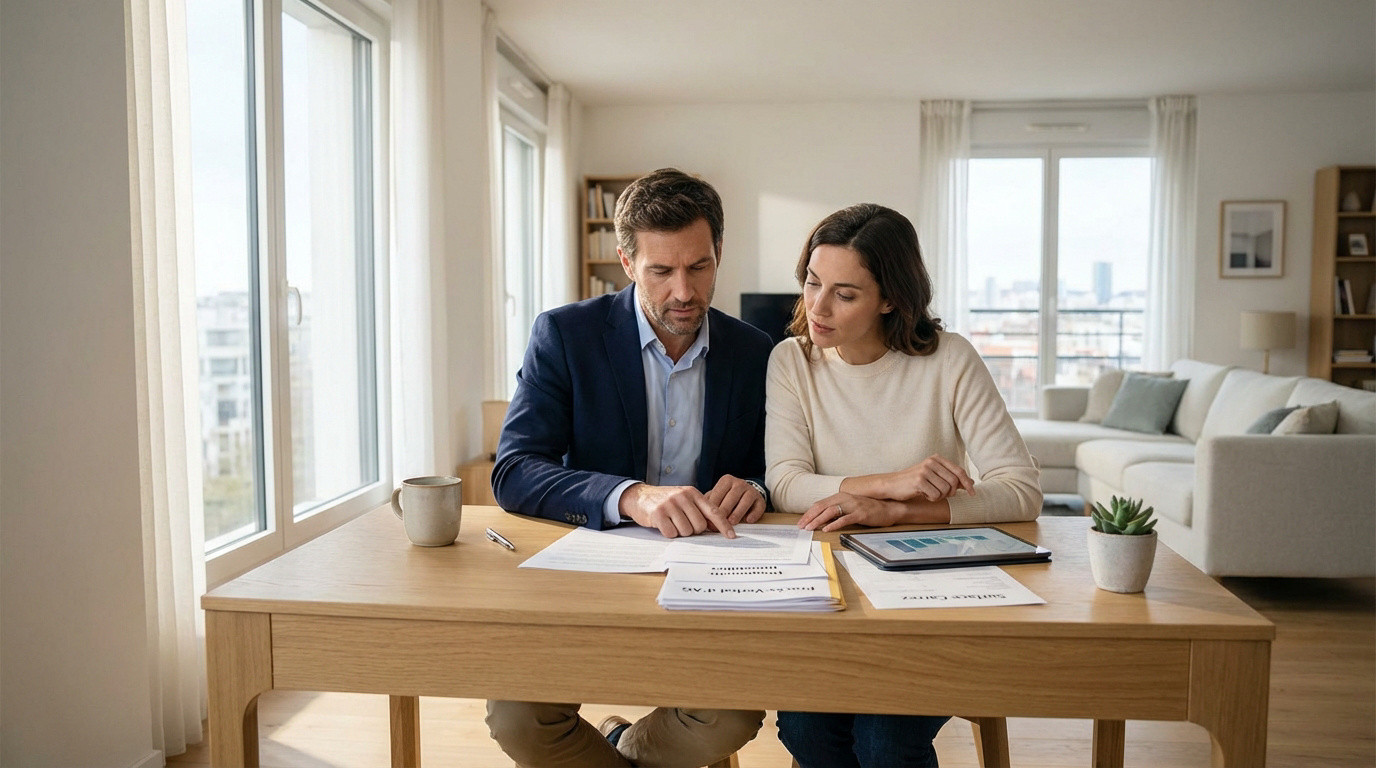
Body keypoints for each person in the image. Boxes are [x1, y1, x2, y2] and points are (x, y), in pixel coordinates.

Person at [487, 168, 771, 768]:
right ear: (626, 262)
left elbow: (774, 465)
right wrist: (630, 496)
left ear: (719, 255)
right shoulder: (565, 335)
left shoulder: (755, 352)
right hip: (586, 581)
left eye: (699, 267)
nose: (684, 292)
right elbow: (513, 470)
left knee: (730, 717)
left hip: (706, 584)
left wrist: (756, 485)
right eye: (661, 271)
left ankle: (622, 749)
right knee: (518, 717)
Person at [765, 203, 1041, 768]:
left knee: (886, 741)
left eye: (845, 294)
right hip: (831, 600)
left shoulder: (951, 359)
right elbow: (785, 483)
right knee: (806, 730)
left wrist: (896, 514)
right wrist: (894, 483)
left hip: (931, 601)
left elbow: (1021, 491)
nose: (817, 307)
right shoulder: (791, 361)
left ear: (890, 297)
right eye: (812, 283)